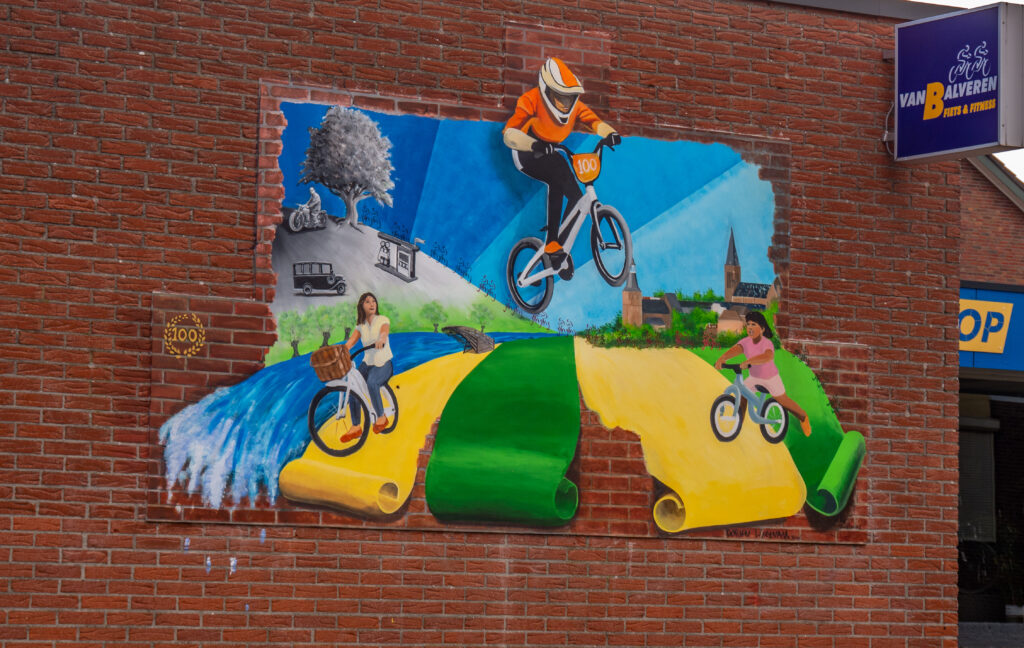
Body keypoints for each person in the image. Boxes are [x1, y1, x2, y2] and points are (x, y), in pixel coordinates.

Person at [503, 57, 621, 276]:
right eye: (560, 98)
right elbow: (510, 134)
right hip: (527, 152)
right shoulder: (530, 100)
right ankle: (552, 243)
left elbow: (593, 121)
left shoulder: (575, 107)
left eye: (569, 98)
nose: (565, 104)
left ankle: (560, 250)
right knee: (555, 181)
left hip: (552, 152)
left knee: (577, 198)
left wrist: (610, 134)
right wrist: (533, 144)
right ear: (547, 91)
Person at [714, 311, 812, 437]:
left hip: (770, 378)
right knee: (742, 394)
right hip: (754, 378)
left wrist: (750, 361)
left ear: (762, 329)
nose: (750, 327)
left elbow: (767, 356)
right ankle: (738, 425)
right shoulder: (746, 342)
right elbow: (735, 350)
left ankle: (803, 416)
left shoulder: (766, 343)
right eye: (748, 324)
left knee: (783, 400)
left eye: (754, 324)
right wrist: (722, 359)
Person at [340, 292, 394, 442]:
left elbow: (384, 331)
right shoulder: (361, 326)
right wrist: (341, 351)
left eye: (373, 301)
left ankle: (381, 418)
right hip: (367, 363)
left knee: (372, 382)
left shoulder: (382, 319)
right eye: (367, 302)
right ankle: (356, 427)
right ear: (361, 306)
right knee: (353, 386)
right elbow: (350, 342)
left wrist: (382, 339)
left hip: (383, 363)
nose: (371, 304)